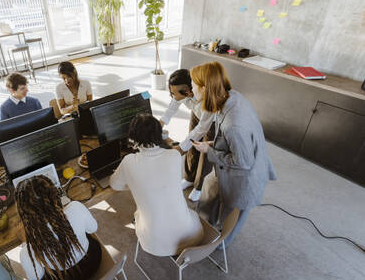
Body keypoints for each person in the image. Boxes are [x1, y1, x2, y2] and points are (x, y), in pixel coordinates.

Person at [190, 61, 277, 247]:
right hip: (237, 158)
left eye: (193, 84)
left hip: (245, 175)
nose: (191, 88)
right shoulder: (232, 96)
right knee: (209, 184)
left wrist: (209, 150)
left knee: (230, 218)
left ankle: (217, 246)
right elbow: (232, 140)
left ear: (204, 88)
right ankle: (203, 226)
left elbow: (243, 161)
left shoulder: (233, 125)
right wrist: (214, 143)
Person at [110, 114, 204, 256]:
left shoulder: (129, 161)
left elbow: (115, 185)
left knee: (138, 215)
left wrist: (133, 182)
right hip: (191, 235)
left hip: (156, 245)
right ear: (159, 134)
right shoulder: (174, 155)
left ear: (133, 139)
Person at [16, 175, 101, 280]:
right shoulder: (76, 207)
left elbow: (35, 276)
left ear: (24, 212)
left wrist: (25, 242)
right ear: (55, 195)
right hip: (92, 262)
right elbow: (93, 228)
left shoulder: (29, 249)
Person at [159, 69, 216, 202]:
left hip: (212, 122)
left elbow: (201, 129)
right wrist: (161, 122)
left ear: (188, 92)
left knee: (205, 153)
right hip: (197, 114)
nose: (171, 95)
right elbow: (173, 105)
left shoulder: (207, 100)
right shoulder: (182, 92)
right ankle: (189, 178)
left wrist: (180, 148)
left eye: (173, 93)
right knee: (191, 147)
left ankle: (199, 186)